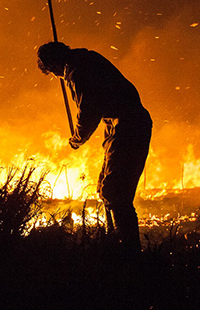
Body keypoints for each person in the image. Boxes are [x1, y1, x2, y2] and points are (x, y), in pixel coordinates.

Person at [37, 41, 152, 252]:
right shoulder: (85, 59)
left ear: (53, 64)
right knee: (105, 187)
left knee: (116, 192)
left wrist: (77, 139)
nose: (57, 77)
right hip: (121, 125)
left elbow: (89, 110)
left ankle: (128, 252)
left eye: (53, 72)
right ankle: (116, 243)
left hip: (129, 126)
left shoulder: (78, 71)